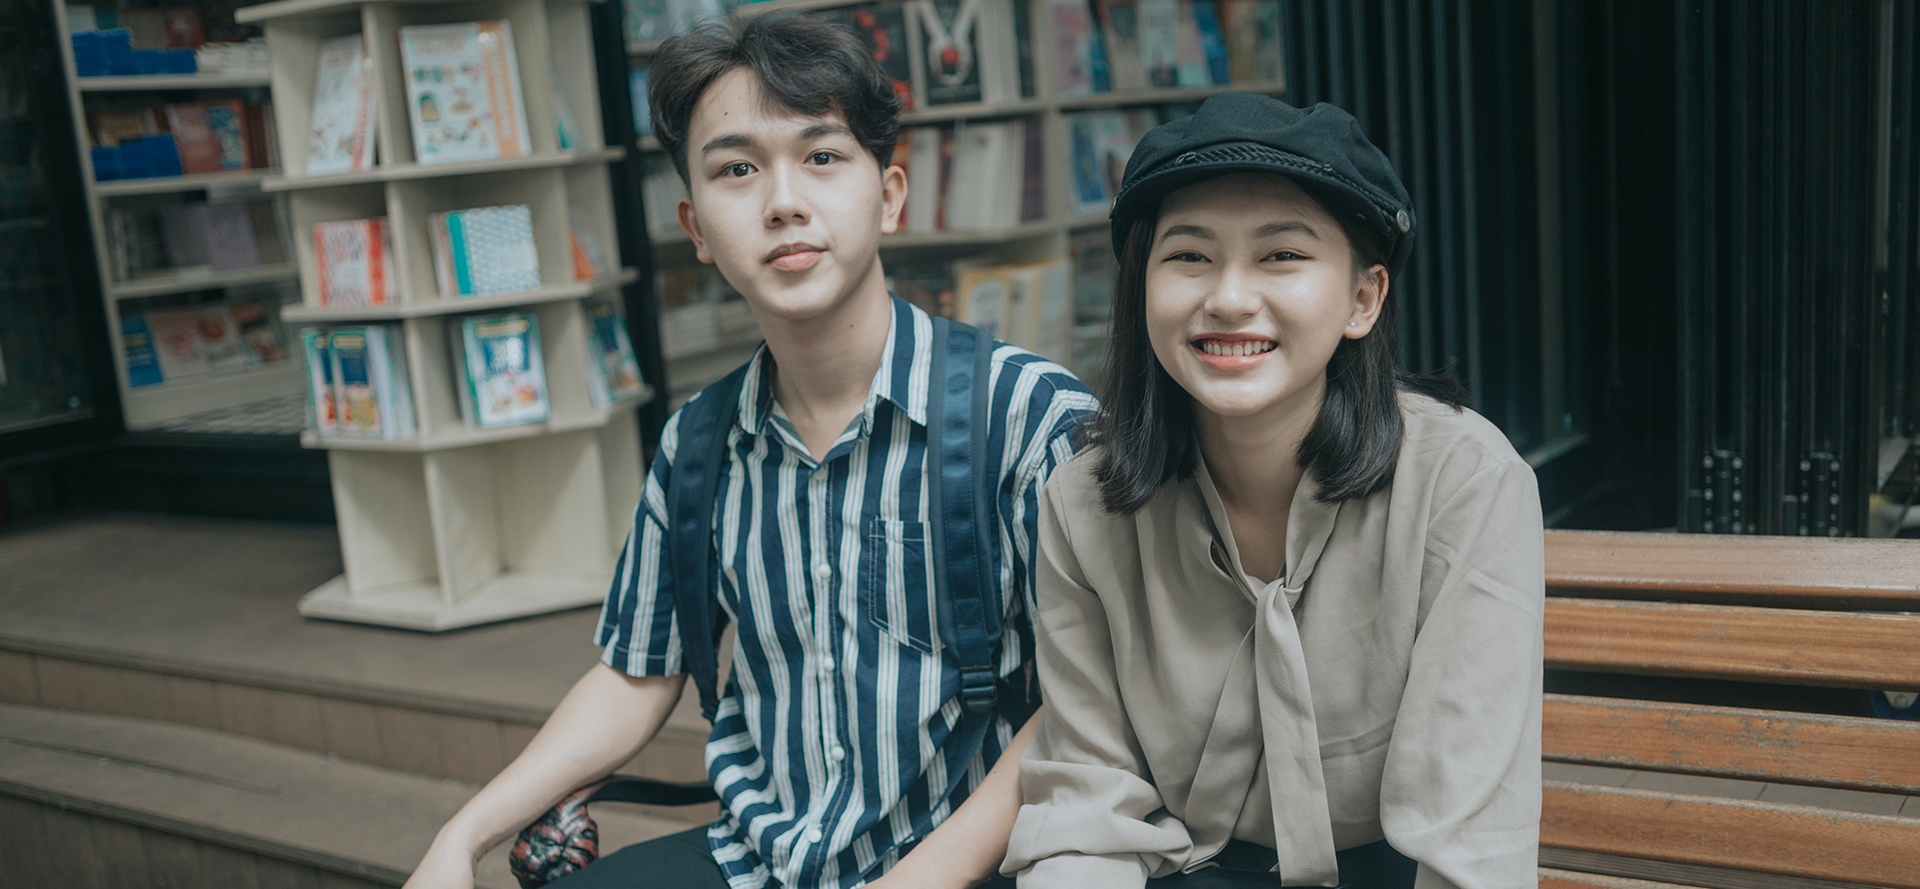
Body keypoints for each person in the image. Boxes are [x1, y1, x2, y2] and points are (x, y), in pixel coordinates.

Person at [403, 15, 1095, 889]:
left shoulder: (1030, 415)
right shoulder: (699, 441)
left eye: (821, 157)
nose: (782, 201)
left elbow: (1087, 692)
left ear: (889, 195)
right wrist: (459, 837)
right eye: (737, 168)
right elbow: (633, 677)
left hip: (979, 857)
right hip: (757, 856)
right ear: (694, 225)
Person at [1001, 93, 1543, 889]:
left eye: (1281, 255)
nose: (1227, 296)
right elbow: (1089, 805)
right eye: (1188, 255)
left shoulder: (1465, 481)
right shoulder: (1084, 504)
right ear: (1141, 289)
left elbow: (1467, 843)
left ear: (1364, 299)